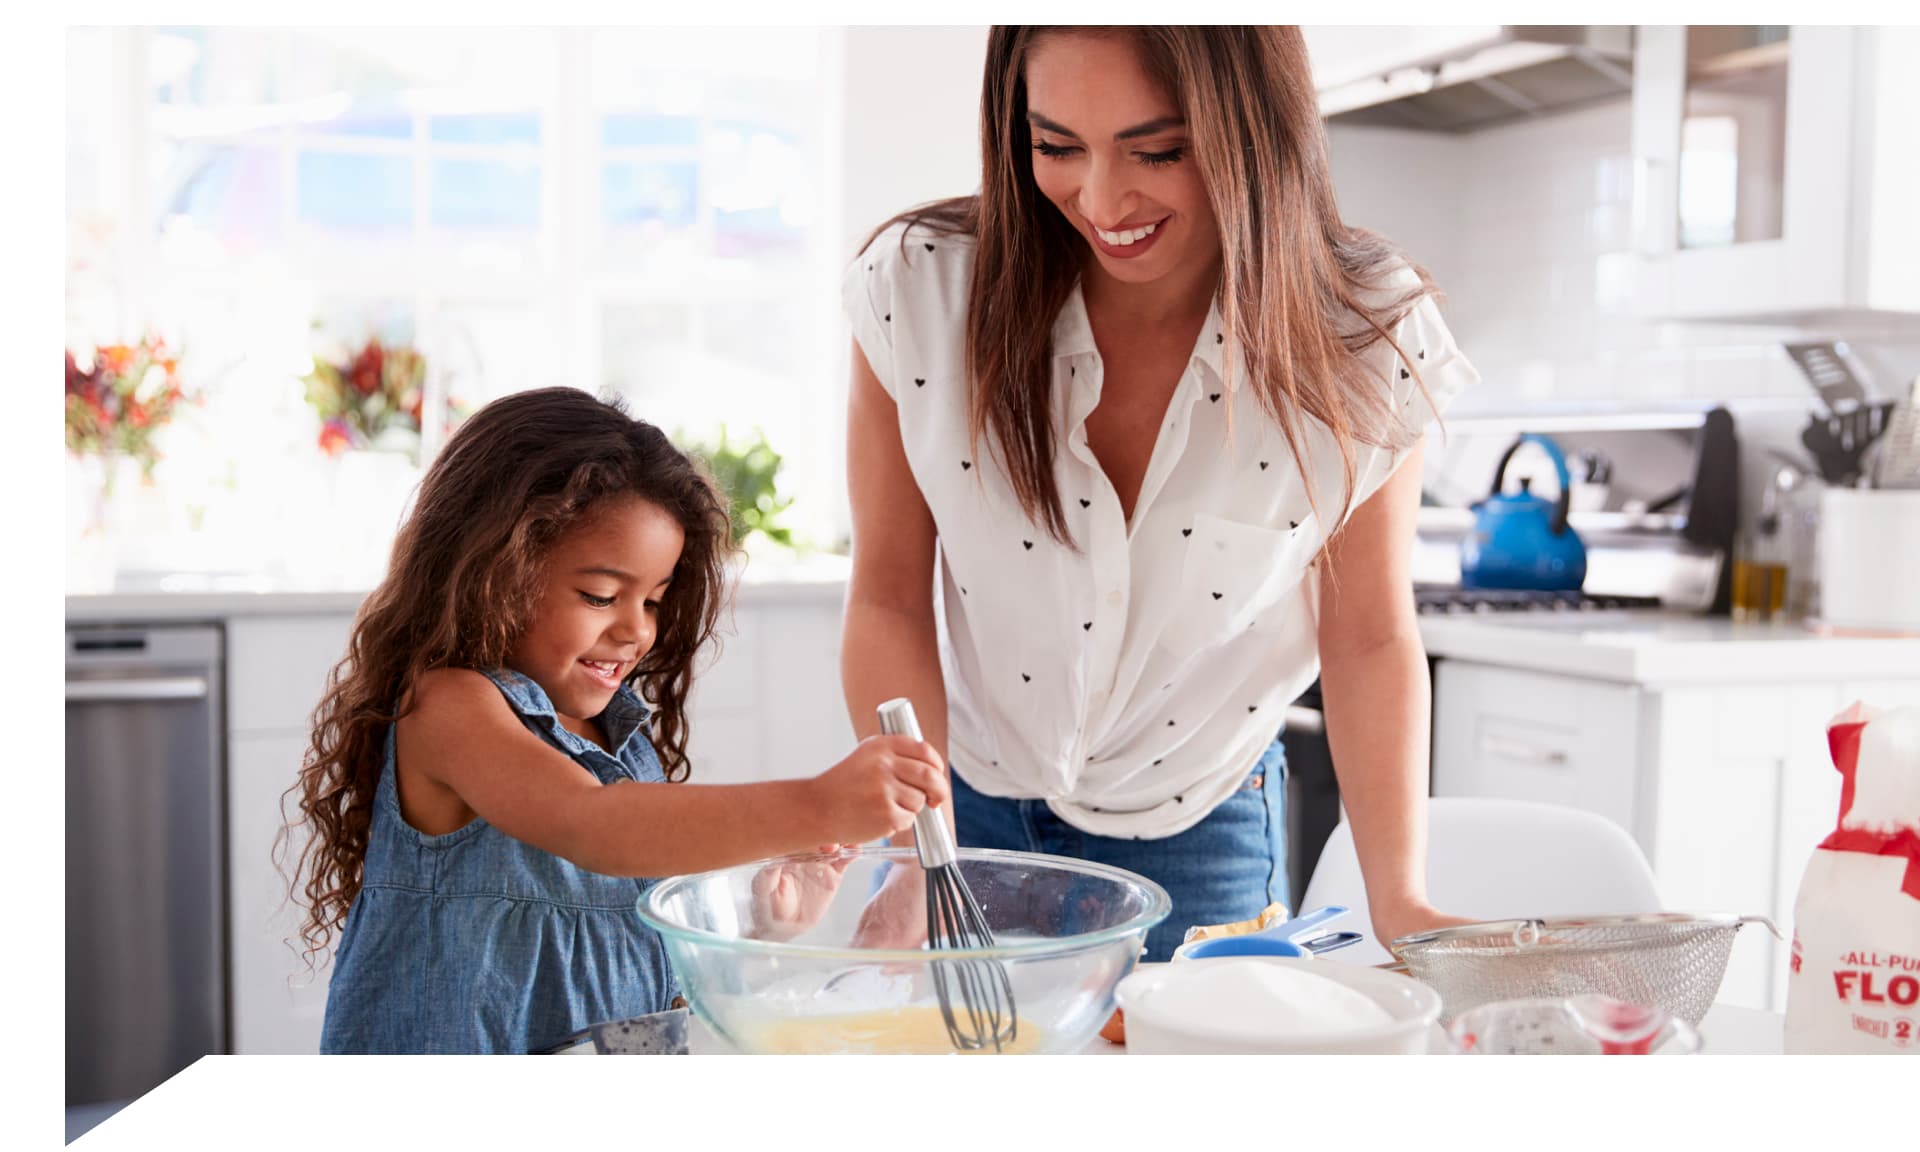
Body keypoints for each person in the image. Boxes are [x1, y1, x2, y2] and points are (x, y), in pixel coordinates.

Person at [839, 26, 1481, 963]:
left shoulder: (1366, 334)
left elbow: (1370, 635)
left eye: (1159, 150)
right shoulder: (920, 290)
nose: (1101, 199)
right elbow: (889, 595)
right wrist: (913, 856)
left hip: (1204, 823)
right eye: (1056, 146)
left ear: (1256, 131)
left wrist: (1402, 902)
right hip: (957, 809)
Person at [283, 387, 948, 1053]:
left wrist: (754, 917)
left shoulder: (620, 742)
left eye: (654, 601)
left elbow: (630, 923)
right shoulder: (451, 708)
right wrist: (816, 805)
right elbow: (589, 823)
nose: (636, 630)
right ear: (492, 570)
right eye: (600, 595)